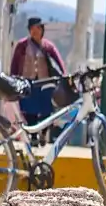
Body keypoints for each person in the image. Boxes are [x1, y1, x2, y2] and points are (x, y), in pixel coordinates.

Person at [9, 17, 66, 146]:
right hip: (28, 82)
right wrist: (13, 79)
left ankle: (43, 132)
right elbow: (15, 64)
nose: (36, 31)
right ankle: (34, 135)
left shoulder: (48, 46)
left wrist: (63, 76)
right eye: (33, 29)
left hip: (46, 83)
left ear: (42, 30)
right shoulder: (22, 45)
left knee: (47, 110)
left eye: (38, 28)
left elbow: (58, 62)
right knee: (30, 110)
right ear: (29, 30)